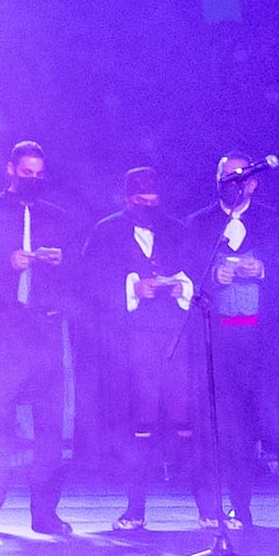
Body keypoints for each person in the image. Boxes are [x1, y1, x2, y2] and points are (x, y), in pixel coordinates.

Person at [0, 140, 76, 539]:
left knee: (49, 426)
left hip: (45, 326)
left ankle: (44, 513)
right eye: (26, 173)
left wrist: (60, 264)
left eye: (39, 174)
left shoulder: (55, 215)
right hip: (5, 330)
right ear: (11, 170)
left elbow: (80, 272)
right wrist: (5, 262)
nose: (33, 180)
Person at [89, 168, 201, 531]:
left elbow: (197, 273)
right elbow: (90, 283)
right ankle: (135, 508)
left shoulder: (179, 229)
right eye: (140, 201)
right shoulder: (106, 232)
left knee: (187, 421)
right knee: (140, 423)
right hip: (130, 341)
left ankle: (208, 507)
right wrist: (132, 289)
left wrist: (178, 285)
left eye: (153, 201)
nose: (148, 206)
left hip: (175, 337)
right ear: (127, 200)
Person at [190, 153, 279, 534]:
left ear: (254, 183)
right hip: (220, 341)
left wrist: (262, 269)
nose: (234, 183)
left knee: (277, 422)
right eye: (226, 177)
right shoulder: (200, 224)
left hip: (265, 340)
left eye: (241, 178)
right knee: (230, 429)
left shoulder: (272, 220)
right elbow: (188, 276)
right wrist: (215, 276)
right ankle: (238, 508)